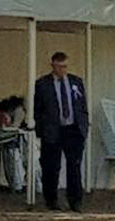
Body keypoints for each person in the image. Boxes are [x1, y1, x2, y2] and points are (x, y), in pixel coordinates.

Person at [33, 51, 89, 212]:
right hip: (53, 130)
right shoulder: (43, 84)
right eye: (59, 67)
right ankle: (51, 200)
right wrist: (42, 129)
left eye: (65, 67)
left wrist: (83, 126)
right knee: (51, 167)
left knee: (74, 167)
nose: (62, 70)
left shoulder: (75, 82)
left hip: (73, 130)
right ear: (53, 66)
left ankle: (75, 201)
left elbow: (82, 105)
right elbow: (38, 109)